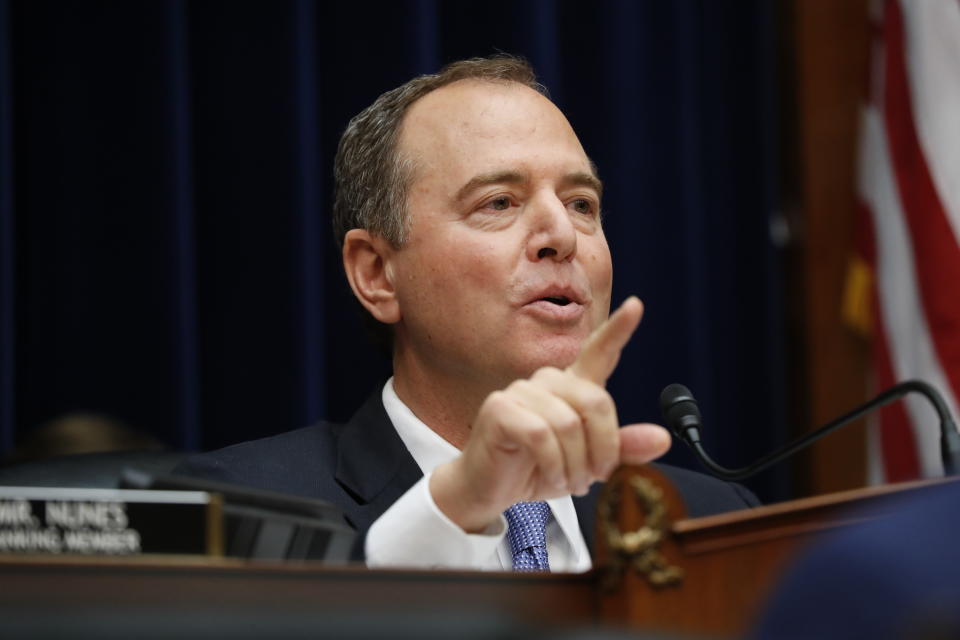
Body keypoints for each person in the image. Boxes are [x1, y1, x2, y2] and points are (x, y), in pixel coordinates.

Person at [176, 55, 758, 571]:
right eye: (498, 202)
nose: (562, 234)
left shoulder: (711, 525)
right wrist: (453, 510)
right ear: (377, 273)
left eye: (582, 204)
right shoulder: (231, 514)